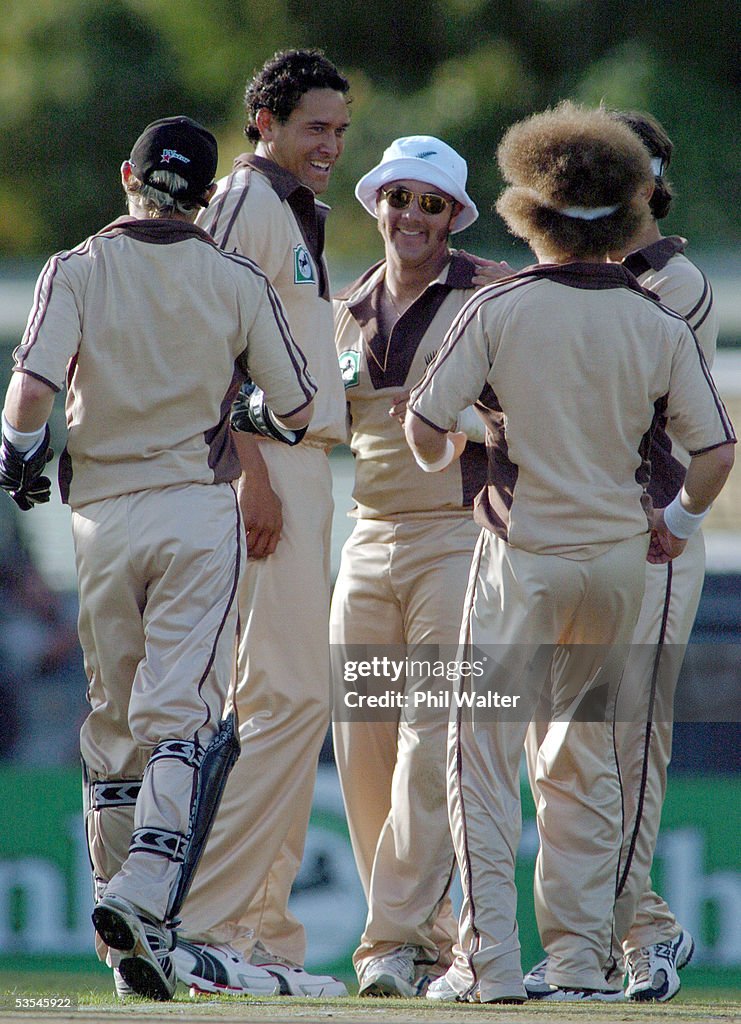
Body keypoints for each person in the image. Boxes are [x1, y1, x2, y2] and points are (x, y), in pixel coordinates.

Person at [403, 100, 735, 1003]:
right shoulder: (654, 316)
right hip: (620, 565)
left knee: (477, 758)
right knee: (584, 765)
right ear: (631, 209)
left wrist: (466, 436)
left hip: (523, 557)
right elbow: (714, 452)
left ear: (530, 210)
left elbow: (423, 427)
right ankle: (583, 964)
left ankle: (491, 965)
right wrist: (676, 520)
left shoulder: (501, 306)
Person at [0, 115, 316, 1000]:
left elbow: (28, 395)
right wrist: (236, 408)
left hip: (99, 517)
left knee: (112, 713)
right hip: (193, 506)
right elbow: (294, 404)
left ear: (127, 175)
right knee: (181, 706)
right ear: (208, 198)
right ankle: (145, 890)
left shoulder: (75, 267)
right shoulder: (233, 275)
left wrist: (20, 453)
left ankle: (118, 918)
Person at [523, 109, 719, 1003]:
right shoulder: (574, 272)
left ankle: (610, 947)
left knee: (629, 744)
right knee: (572, 748)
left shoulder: (671, 281)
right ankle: (634, 932)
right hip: (577, 534)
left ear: (646, 185)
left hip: (653, 532)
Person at [171, 49, 351, 997]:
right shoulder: (246, 200)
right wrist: (250, 475)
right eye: (314, 127)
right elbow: (216, 346)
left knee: (287, 703)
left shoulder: (287, 206)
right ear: (265, 125)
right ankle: (205, 925)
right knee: (284, 702)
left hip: (302, 465)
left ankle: (261, 941)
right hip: (267, 467)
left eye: (338, 130)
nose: (329, 146)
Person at [331, 136, 505, 997]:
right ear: (378, 205)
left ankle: (387, 945)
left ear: (453, 218)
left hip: (458, 535)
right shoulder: (344, 306)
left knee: (431, 741)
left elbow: (538, 411)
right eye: (398, 197)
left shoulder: (489, 295)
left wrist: (463, 424)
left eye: (430, 203)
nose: (411, 216)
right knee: (362, 749)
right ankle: (418, 938)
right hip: (366, 538)